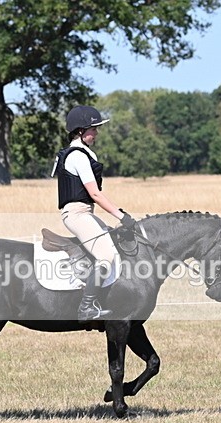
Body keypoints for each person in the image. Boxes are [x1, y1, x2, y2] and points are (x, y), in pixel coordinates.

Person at [51, 105, 137, 321]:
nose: (96, 133)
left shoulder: (82, 153)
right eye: (93, 129)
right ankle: (86, 307)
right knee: (106, 256)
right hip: (78, 214)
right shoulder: (78, 156)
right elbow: (95, 194)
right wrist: (122, 217)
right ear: (80, 131)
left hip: (85, 212)